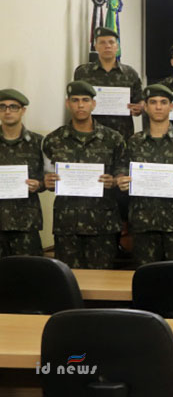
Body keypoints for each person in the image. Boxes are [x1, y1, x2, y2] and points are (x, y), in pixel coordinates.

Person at [114, 84, 173, 265]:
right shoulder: (134, 141)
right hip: (142, 221)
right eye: (153, 102)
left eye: (163, 102)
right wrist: (121, 180)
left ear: (171, 107)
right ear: (145, 107)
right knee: (146, 278)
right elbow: (121, 168)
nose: (158, 107)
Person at [42, 81, 125, 268]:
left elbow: (122, 169)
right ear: (67, 103)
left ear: (93, 104)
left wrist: (114, 180)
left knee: (103, 282)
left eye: (85, 100)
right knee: (68, 279)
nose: (80, 105)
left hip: (103, 223)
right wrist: (46, 181)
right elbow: (46, 174)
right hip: (67, 224)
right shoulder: (53, 140)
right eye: (75, 100)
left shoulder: (113, 139)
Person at [73, 26, 143, 139]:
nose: (107, 46)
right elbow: (75, 100)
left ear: (117, 47)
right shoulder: (83, 72)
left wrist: (140, 108)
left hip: (122, 135)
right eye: (102, 42)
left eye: (111, 42)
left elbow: (140, 99)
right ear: (96, 46)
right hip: (90, 135)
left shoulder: (130, 73)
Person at [0, 89, 44, 257]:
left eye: (13, 107)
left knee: (28, 275)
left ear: (23, 110)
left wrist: (38, 184)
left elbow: (48, 179)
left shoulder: (38, 142)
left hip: (26, 222)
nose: (8, 111)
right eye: (2, 107)